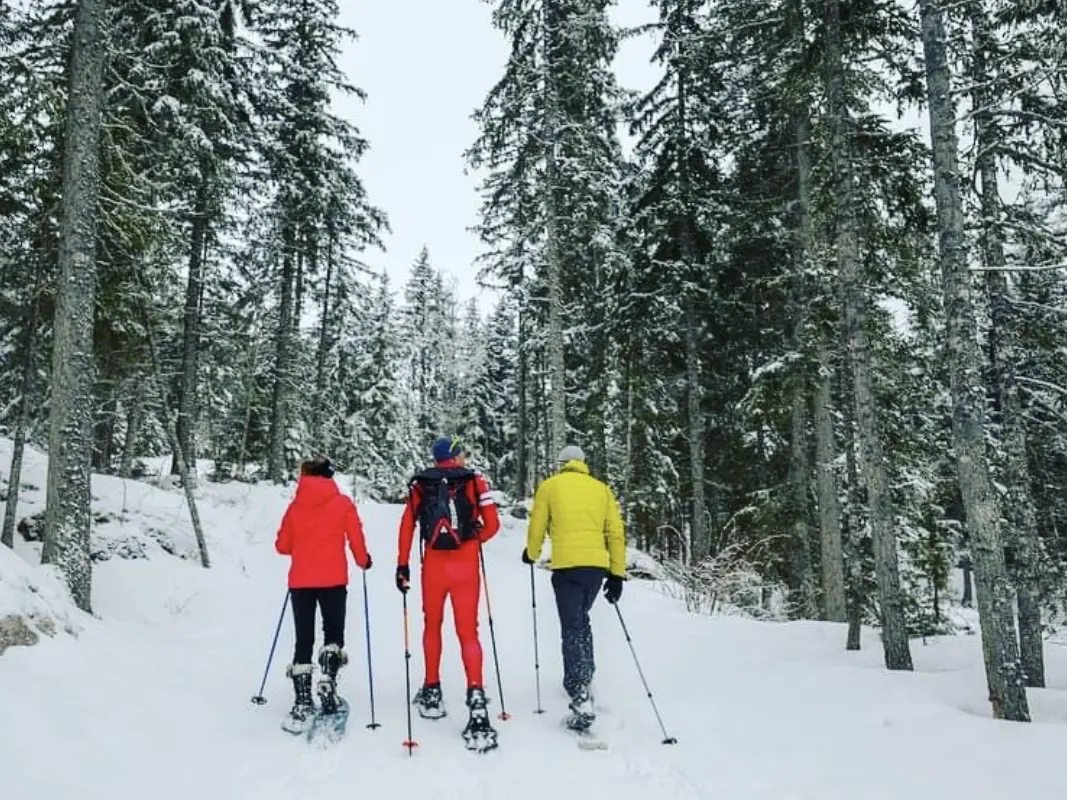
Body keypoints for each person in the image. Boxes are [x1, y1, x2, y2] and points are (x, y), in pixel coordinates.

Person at [395, 436, 501, 749]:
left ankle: (432, 690)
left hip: (434, 568)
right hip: (466, 566)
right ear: (455, 456)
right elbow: (492, 525)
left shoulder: (421, 483)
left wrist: (403, 565)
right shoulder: (475, 480)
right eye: (462, 452)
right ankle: (477, 697)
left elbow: (407, 526)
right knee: (469, 633)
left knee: (432, 626)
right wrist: (470, 540)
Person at [523, 444, 625, 732]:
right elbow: (615, 533)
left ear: (561, 464)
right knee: (581, 618)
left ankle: (579, 692)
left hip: (567, 567)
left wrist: (531, 553)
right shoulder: (601, 490)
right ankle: (586, 672)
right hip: (596, 568)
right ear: (583, 463)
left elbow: (537, 526)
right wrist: (616, 574)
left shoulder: (550, 486)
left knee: (571, 625)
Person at [275, 456, 372, 734]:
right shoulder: (342, 503)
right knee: (333, 633)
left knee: (303, 638)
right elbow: (356, 538)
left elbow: (282, 546)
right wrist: (363, 560)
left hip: (301, 581)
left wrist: (302, 545)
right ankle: (328, 680)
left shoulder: (295, 507)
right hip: (333, 580)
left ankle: (303, 701)